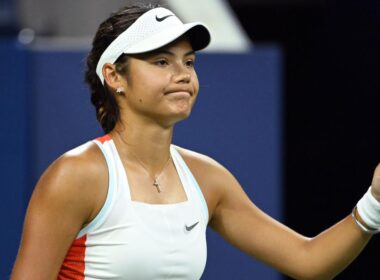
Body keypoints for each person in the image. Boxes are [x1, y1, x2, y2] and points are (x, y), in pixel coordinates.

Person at [11, 3, 380, 280]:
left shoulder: (207, 179)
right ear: (114, 76)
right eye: (161, 62)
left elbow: (307, 260)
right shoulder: (76, 176)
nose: (182, 75)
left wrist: (374, 202)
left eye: (188, 62)